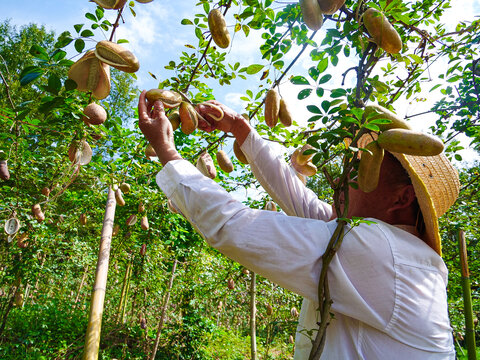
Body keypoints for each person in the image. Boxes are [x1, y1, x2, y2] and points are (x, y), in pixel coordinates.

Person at [138, 90, 460, 359]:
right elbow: (300, 199)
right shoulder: (397, 248)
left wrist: (167, 151)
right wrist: (241, 130)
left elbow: (235, 227)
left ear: (401, 199)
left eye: (364, 167)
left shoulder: (383, 253)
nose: (347, 173)